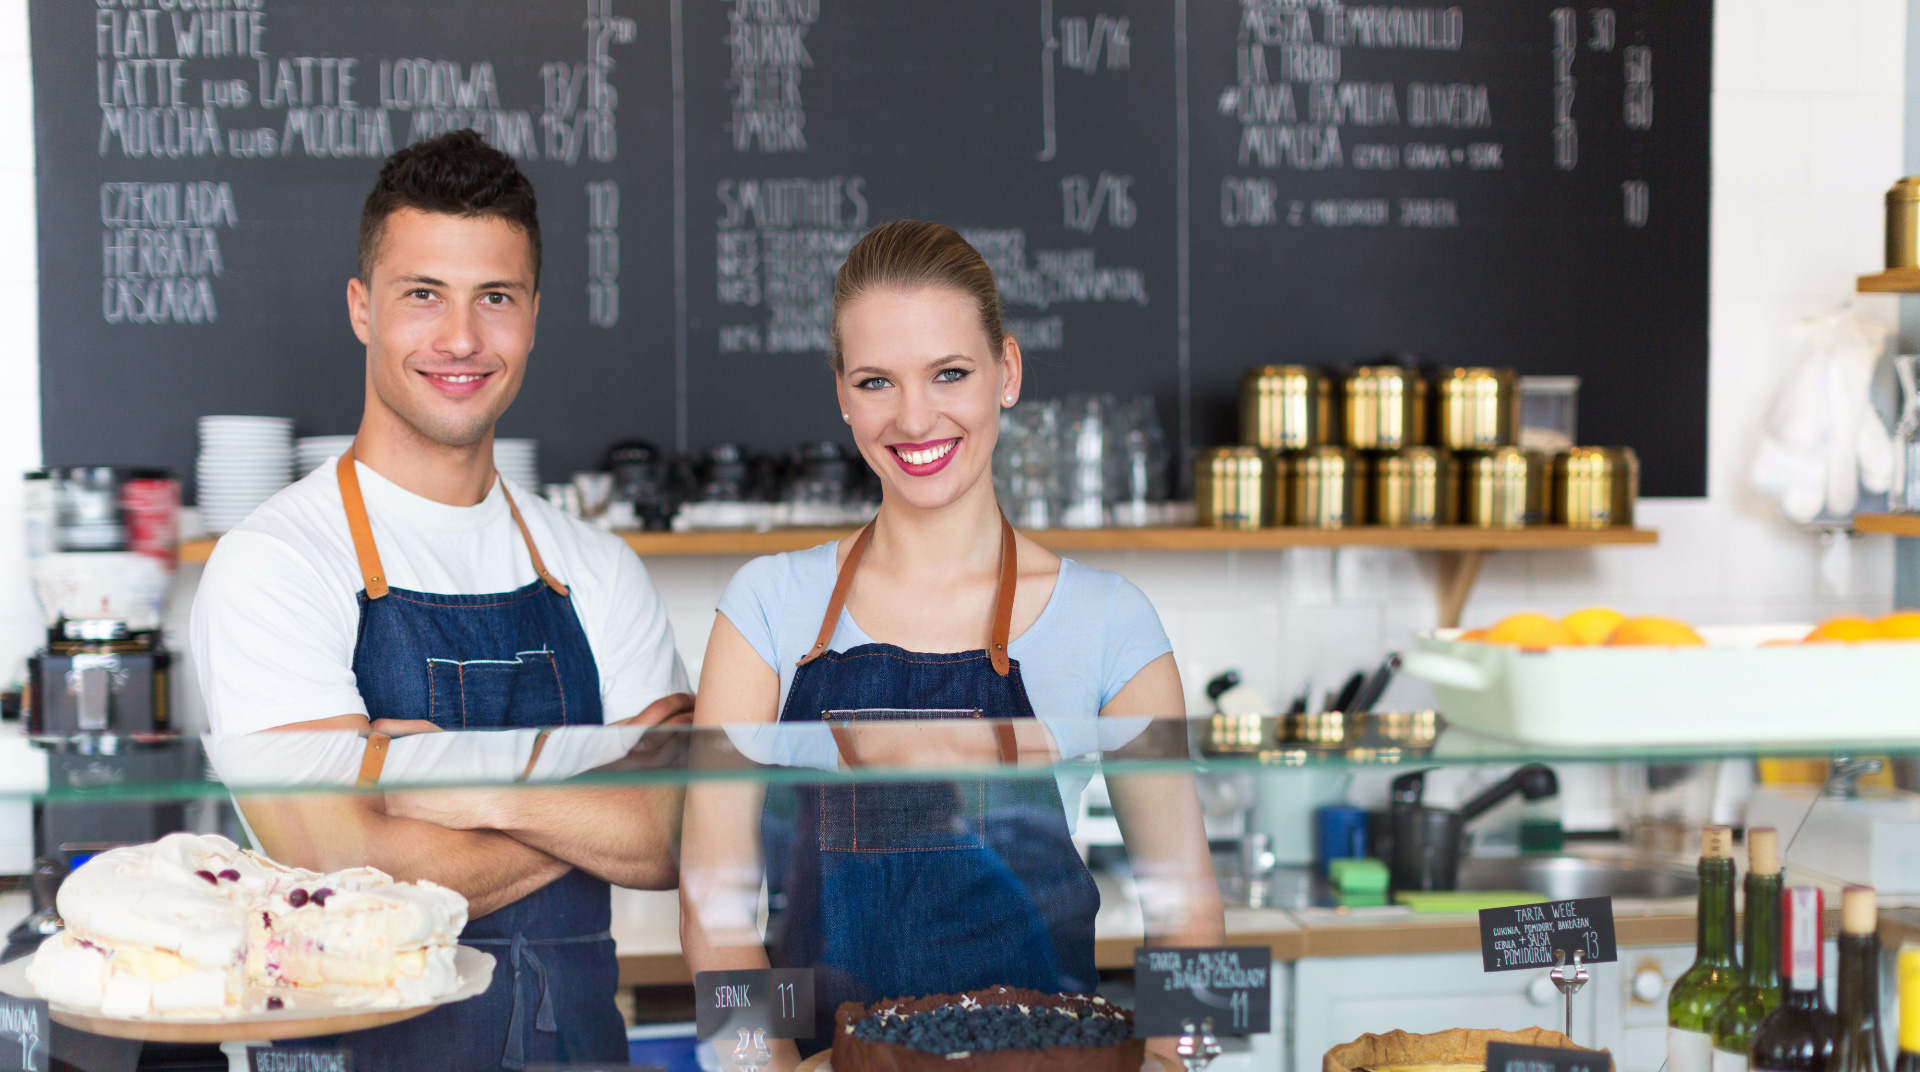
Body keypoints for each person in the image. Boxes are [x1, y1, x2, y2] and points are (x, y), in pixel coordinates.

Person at [190, 130, 692, 1070]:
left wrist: (452, 785)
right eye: (423, 294)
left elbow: (680, 832)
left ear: (534, 315)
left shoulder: (596, 565)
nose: (461, 339)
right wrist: (590, 809)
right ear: (361, 310)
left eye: (493, 298)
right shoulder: (275, 562)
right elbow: (341, 861)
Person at [679, 220, 1224, 1068]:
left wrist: (1178, 1061)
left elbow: (1189, 913)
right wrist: (765, 1071)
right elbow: (712, 911)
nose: (914, 416)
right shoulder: (767, 606)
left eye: (950, 373)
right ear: (842, 395)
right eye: (876, 381)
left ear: (1006, 373)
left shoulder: (1113, 622)